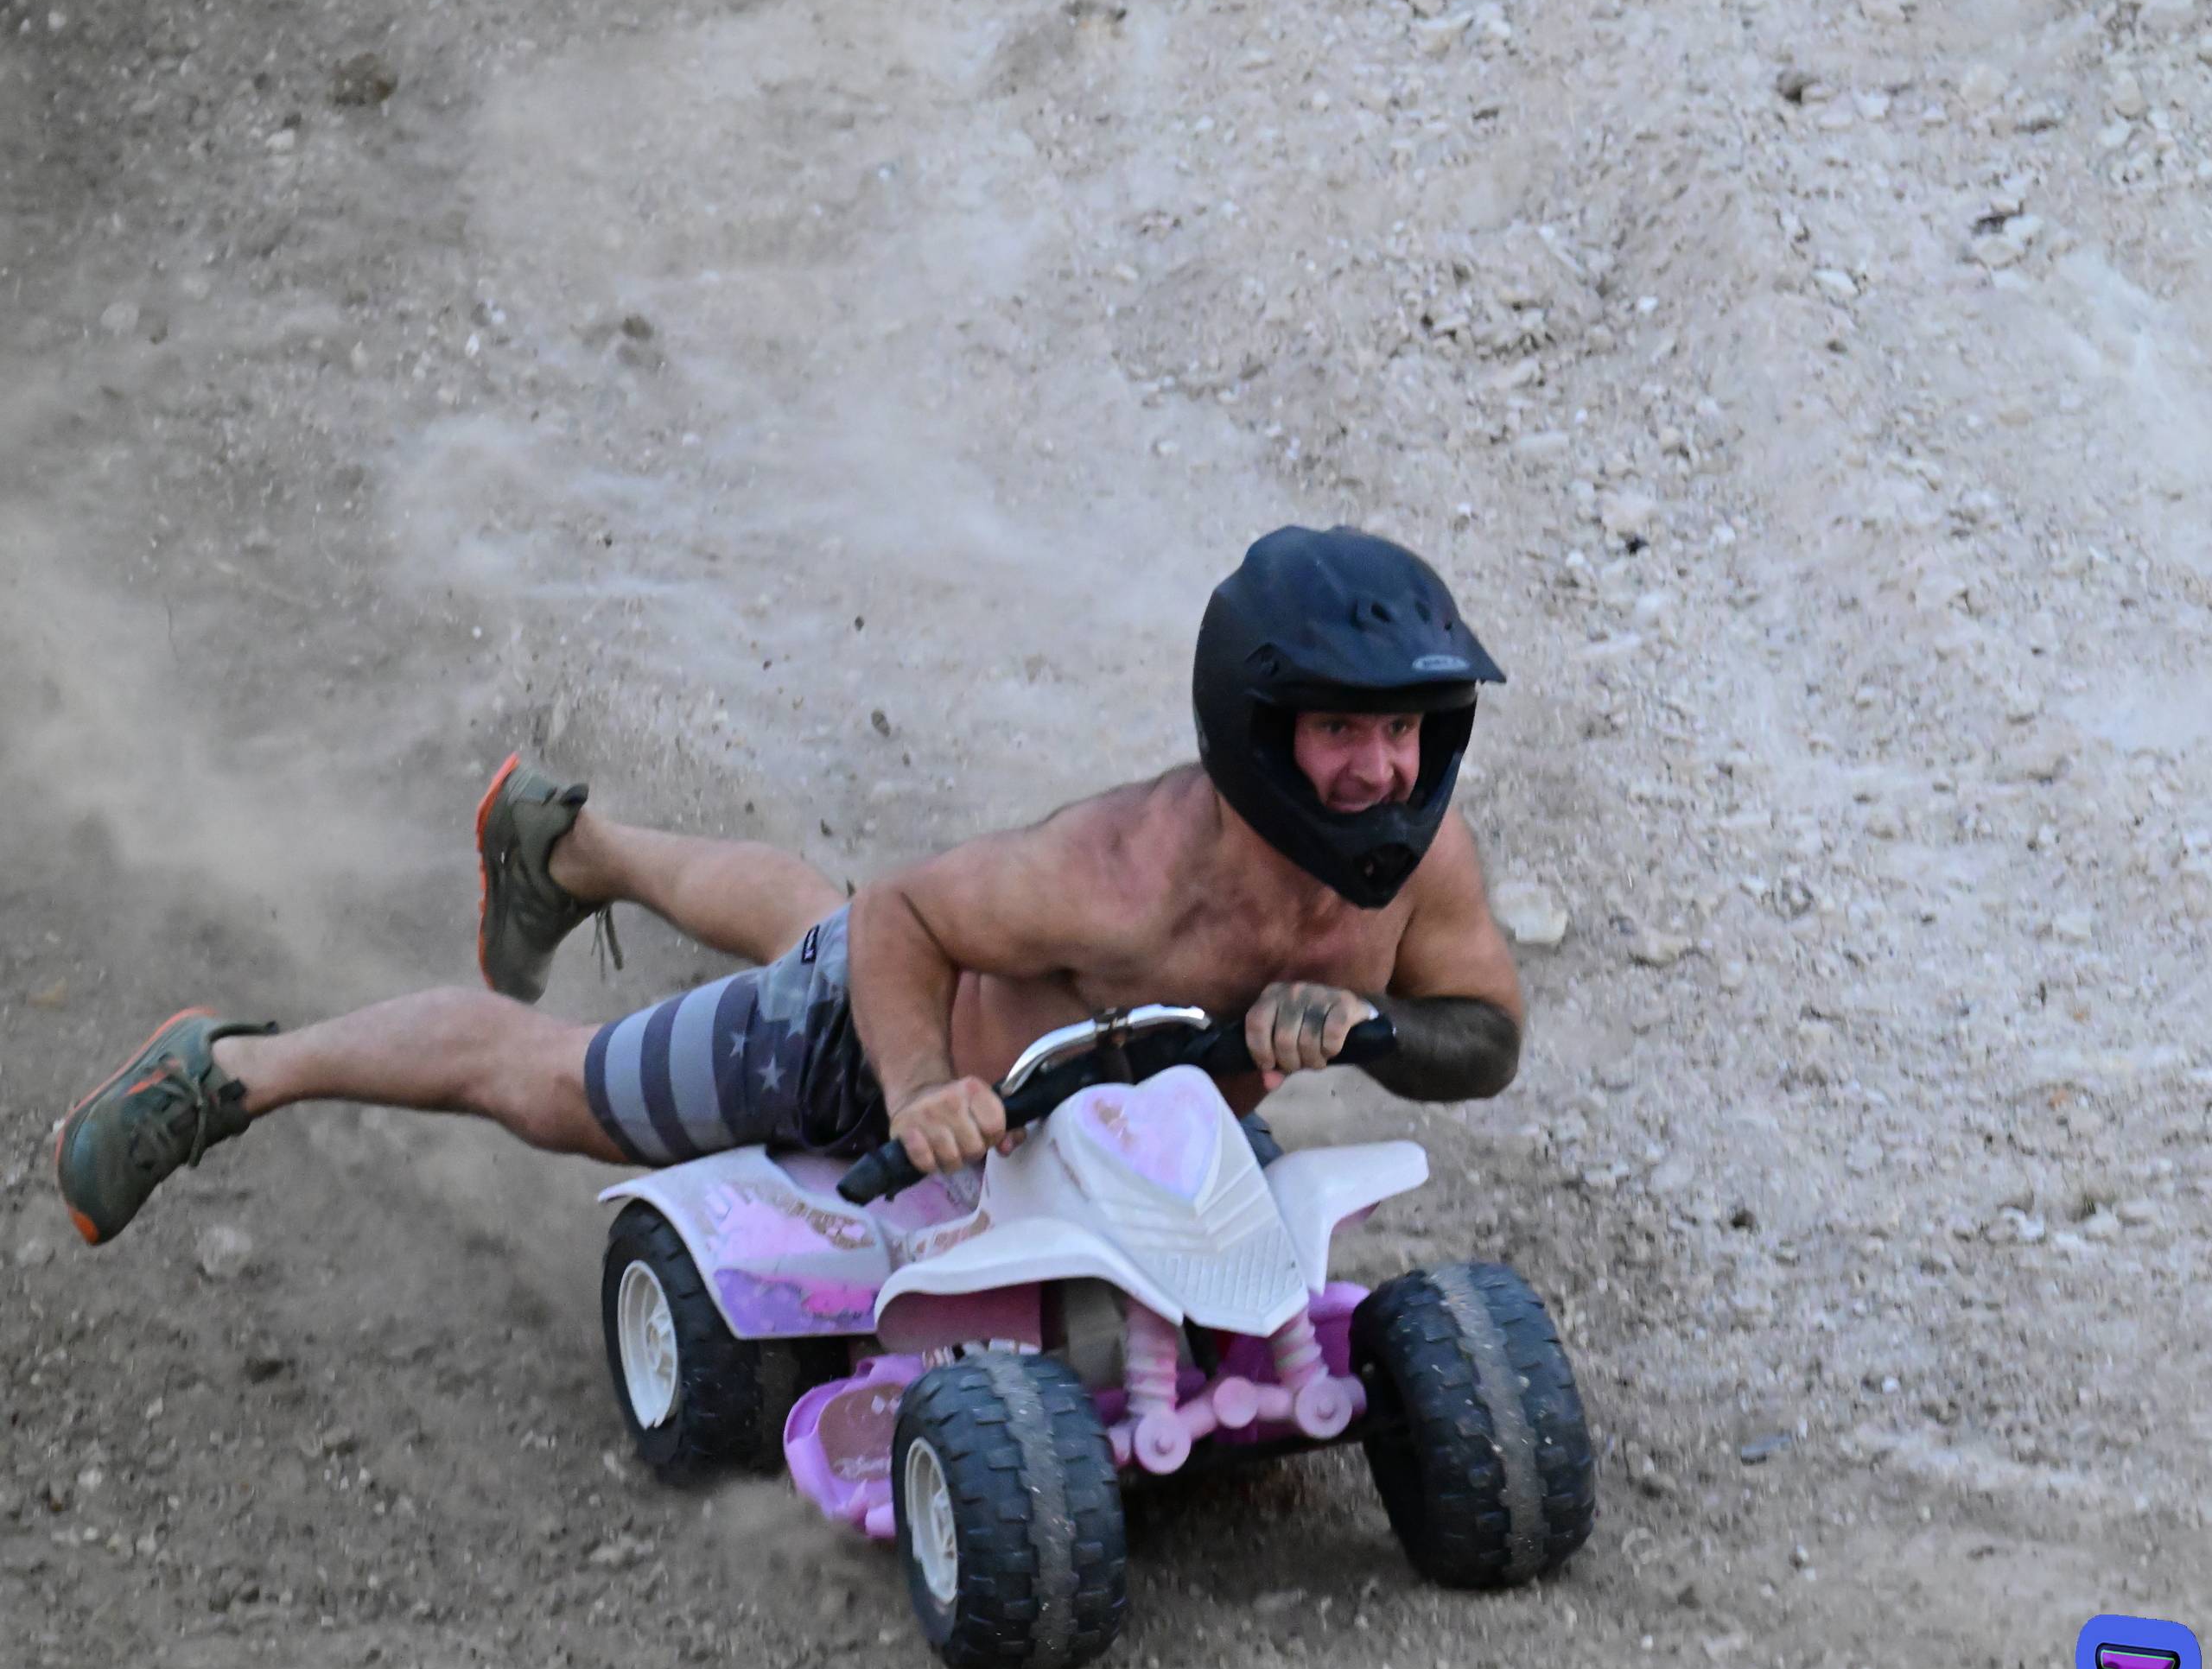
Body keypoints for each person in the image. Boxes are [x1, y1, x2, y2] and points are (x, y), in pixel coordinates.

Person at [50, 526, 1527, 1245]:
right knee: (561, 1085)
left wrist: (1374, 1029)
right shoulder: (1122, 874)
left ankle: (572, 847)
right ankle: (229, 1070)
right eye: (1342, 730)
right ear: (1260, 725)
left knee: (814, 919)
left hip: (1067, 1127)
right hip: (856, 1052)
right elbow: (903, 920)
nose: (1380, 770)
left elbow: (1486, 1034)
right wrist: (912, 1087)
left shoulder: (1419, 866)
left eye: (1403, 729)